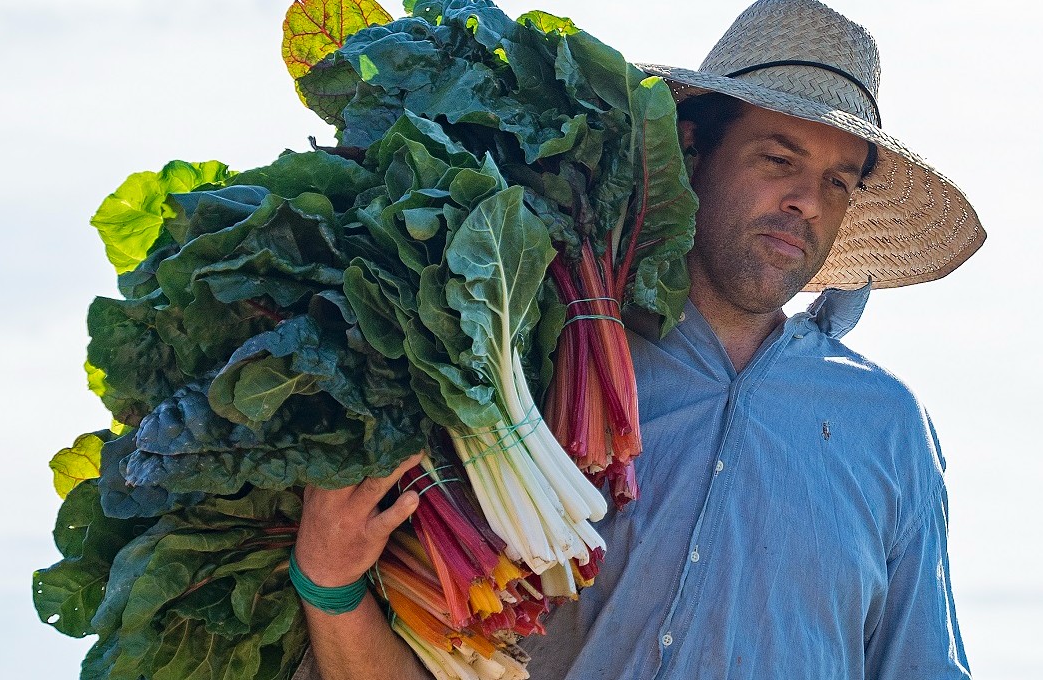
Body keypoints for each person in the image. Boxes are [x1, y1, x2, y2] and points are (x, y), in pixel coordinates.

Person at [292, 0, 985, 677]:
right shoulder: (534, 369)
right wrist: (330, 589)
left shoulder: (889, 430)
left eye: (838, 182)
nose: (807, 200)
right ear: (690, 149)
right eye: (778, 159)